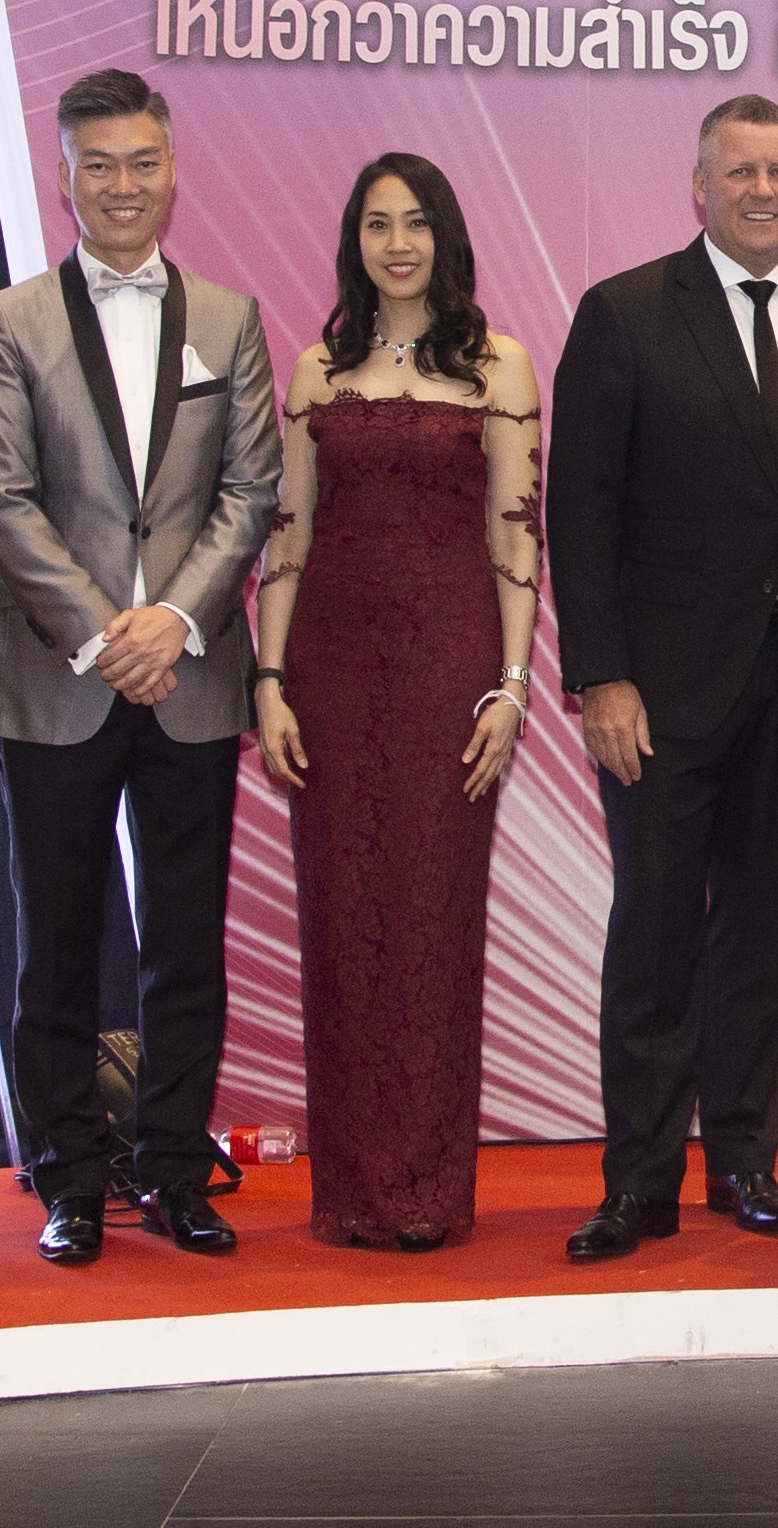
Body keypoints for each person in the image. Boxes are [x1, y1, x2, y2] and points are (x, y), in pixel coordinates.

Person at [546, 94, 778, 1261]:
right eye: (739, 171)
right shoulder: (627, 311)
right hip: (659, 696)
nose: (761, 191)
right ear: (699, 185)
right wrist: (601, 676)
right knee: (654, 934)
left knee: (757, 934)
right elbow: (580, 511)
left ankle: (745, 1160)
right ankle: (638, 1181)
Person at [0, 69, 285, 1265]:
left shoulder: (230, 318)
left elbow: (251, 488)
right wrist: (107, 630)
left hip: (191, 674)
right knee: (56, 941)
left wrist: (176, 621)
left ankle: (174, 1169)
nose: (121, 184)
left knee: (184, 942)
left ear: (172, 169)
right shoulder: (11, 320)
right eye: (97, 164)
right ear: (63, 177)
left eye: (142, 161)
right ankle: (68, 1180)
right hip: (61, 674)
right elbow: (0, 495)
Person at [246, 153, 542, 1252]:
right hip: (328, 670)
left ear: (445, 236)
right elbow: (288, 535)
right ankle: (354, 1194)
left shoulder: (500, 365)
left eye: (416, 223)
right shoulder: (317, 370)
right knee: (341, 921)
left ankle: (425, 1190)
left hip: (448, 670)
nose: (398, 243)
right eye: (378, 224)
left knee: (432, 917)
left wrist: (510, 685)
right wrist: (269, 679)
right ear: (354, 243)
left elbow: (517, 535)